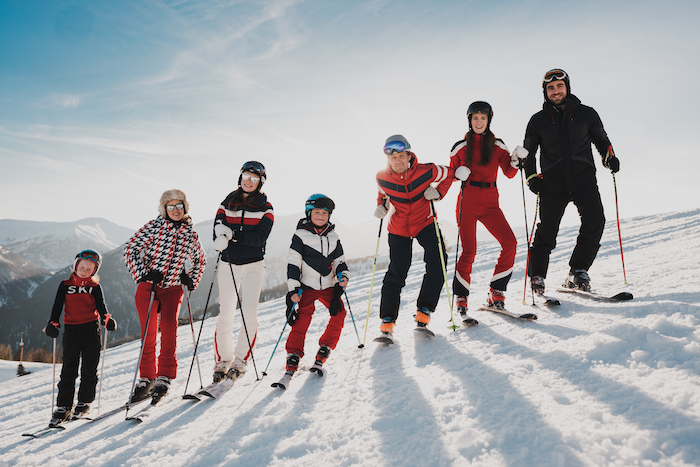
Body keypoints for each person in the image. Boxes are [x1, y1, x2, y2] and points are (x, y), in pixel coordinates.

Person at [523, 69, 620, 293]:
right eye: (551, 88)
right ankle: (537, 276)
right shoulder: (538, 120)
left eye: (559, 86)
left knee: (595, 221)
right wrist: (531, 177)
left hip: (583, 180)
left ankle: (578, 271)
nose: (555, 91)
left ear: (567, 87)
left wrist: (609, 158)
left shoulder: (587, 114)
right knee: (547, 230)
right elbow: (528, 152)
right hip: (552, 183)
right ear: (545, 92)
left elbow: (602, 141)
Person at [437, 101, 528, 313]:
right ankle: (461, 297)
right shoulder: (459, 147)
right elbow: (450, 175)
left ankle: (496, 292)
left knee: (510, 242)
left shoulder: (498, 145)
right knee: (469, 250)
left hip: (490, 203)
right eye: (475, 118)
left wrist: (516, 160)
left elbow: (509, 172)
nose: (479, 122)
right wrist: (438, 193)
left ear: (489, 120)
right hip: (467, 201)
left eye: (483, 118)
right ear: (469, 120)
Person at [124, 189, 206, 402]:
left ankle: (165, 376)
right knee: (149, 333)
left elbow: (200, 260)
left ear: (185, 207)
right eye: (170, 206)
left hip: (173, 288)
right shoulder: (154, 226)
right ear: (164, 209)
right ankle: (146, 377)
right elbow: (131, 249)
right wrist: (143, 274)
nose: (175, 210)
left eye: (179, 205)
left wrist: (191, 278)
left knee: (169, 329)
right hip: (149, 287)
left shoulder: (190, 231)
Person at [374, 134, 452, 338]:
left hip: (425, 221)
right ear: (388, 159)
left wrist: (438, 192)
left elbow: (450, 173)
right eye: (393, 157)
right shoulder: (381, 176)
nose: (398, 160)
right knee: (397, 271)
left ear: (409, 155)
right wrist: (381, 206)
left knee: (439, 260)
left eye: (401, 156)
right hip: (398, 227)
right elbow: (382, 193)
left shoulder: (427, 170)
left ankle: (424, 311)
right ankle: (387, 321)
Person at [212, 161, 274, 382]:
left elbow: (259, 238)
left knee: (249, 312)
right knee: (226, 312)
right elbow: (217, 231)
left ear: (260, 183)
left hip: (253, 265)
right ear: (240, 178)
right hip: (228, 263)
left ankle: (240, 360)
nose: (249, 181)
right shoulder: (226, 202)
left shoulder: (266, 208)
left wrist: (233, 234)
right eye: (246, 176)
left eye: (254, 179)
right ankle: (223, 360)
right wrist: (221, 236)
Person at [44, 249, 116, 423]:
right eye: (81, 267)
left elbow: (101, 307)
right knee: (69, 370)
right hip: (71, 332)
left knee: (89, 370)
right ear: (76, 266)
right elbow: (57, 306)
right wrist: (53, 323)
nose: (84, 271)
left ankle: (84, 403)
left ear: (94, 271)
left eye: (89, 269)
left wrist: (107, 320)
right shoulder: (65, 285)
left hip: (91, 331)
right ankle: (63, 407)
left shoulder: (95, 287)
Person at [281, 194, 349, 378]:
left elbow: (339, 260)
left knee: (339, 313)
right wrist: (294, 289)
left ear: (329, 215)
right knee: (302, 319)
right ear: (309, 213)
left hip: (328, 286)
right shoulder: (300, 235)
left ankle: (326, 346)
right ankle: (294, 353)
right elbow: (293, 262)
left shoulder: (333, 237)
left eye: (325, 213)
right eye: (316, 212)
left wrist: (343, 276)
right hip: (307, 287)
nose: (321, 216)